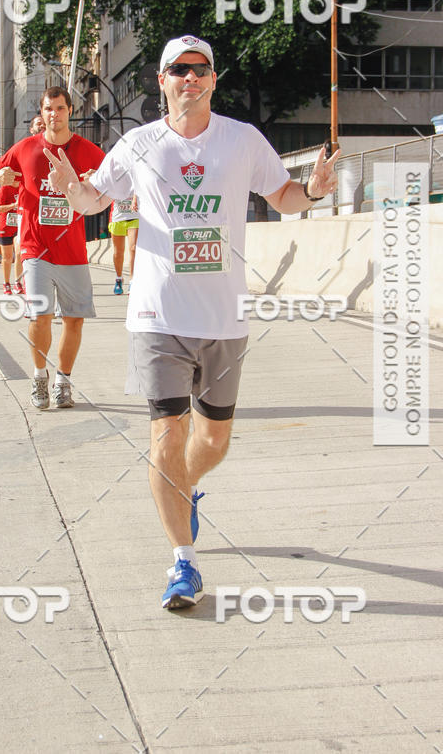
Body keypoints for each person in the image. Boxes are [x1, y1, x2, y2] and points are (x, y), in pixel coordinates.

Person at [43, 35, 339, 609]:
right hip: (157, 317)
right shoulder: (138, 144)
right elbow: (92, 201)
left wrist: (313, 191)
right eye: (179, 70)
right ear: (162, 81)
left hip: (225, 320)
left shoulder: (241, 140)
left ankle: (189, 489)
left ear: (212, 80)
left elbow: (282, 195)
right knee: (166, 439)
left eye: (201, 69)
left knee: (213, 440)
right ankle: (184, 562)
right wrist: (71, 189)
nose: (190, 78)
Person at [0, 86, 105, 410]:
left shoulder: (85, 149)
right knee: (40, 315)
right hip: (35, 249)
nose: (55, 114)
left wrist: (96, 178)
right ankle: (40, 376)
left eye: (61, 108)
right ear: (42, 113)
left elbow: (114, 178)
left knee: (74, 320)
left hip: (74, 250)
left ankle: (62, 380)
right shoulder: (25, 148)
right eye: (49, 109)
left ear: (69, 111)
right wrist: (0, 179)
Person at [0, 184, 24, 295]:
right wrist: (14, 205)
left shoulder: (23, 186)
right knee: (7, 257)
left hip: (19, 225)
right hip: (5, 226)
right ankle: (6, 283)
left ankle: (17, 282)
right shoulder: (5, 188)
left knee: (19, 253)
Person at [108, 195, 139, 294]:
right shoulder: (114, 179)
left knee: (133, 248)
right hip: (118, 217)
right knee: (118, 253)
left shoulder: (137, 178)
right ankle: (119, 278)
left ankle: (132, 281)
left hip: (134, 216)